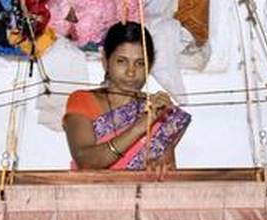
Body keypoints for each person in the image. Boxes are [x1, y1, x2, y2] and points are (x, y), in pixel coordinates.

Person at [62, 21, 191, 170]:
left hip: (139, 192)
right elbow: (87, 161)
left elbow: (166, 170)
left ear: (150, 65)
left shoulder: (159, 109)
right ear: (105, 60)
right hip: (91, 191)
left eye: (140, 63)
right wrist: (140, 126)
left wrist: (157, 170)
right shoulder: (82, 100)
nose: (131, 72)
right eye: (122, 61)